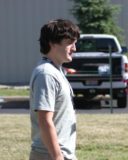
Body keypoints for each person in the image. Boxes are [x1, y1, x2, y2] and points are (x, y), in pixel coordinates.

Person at [29, 19, 80, 160]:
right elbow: (44, 120)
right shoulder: (46, 74)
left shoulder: (56, 71)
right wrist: (57, 156)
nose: (74, 48)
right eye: (70, 43)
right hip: (50, 155)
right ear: (52, 43)